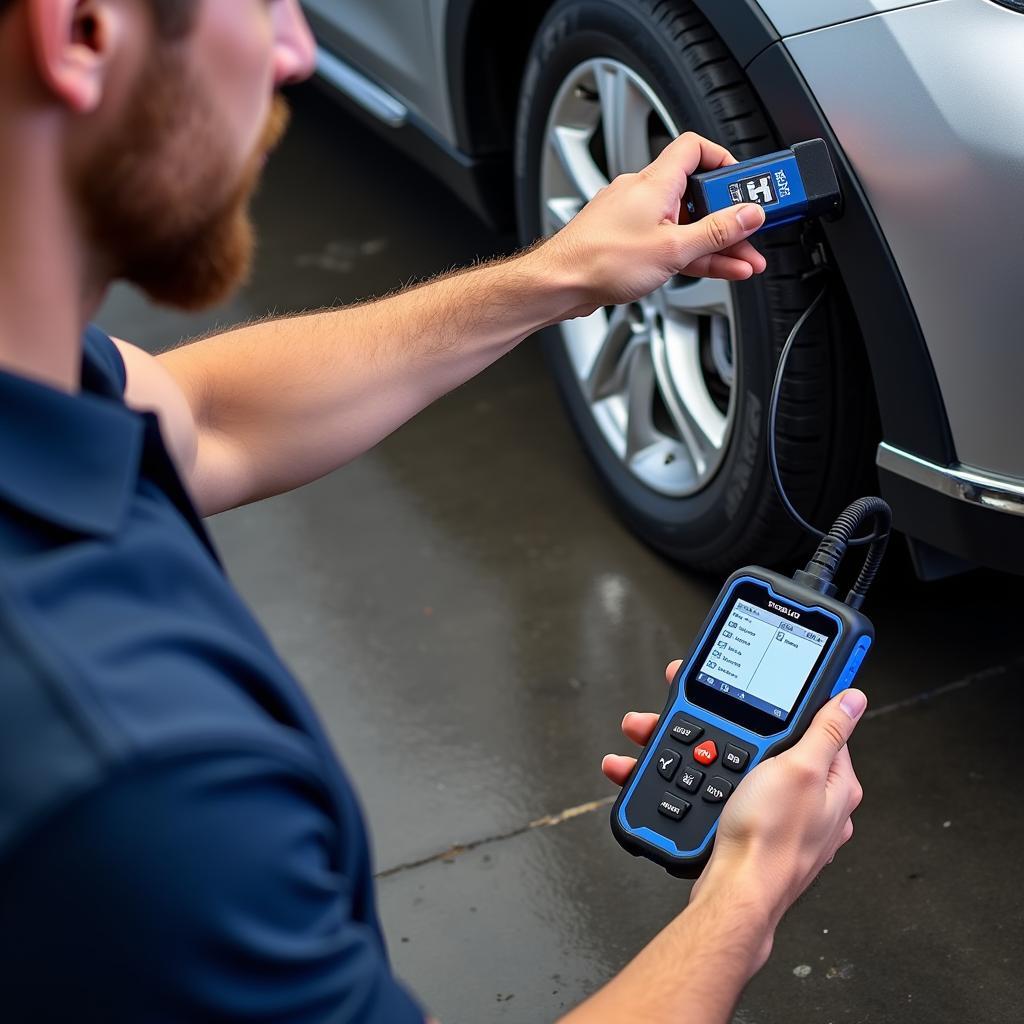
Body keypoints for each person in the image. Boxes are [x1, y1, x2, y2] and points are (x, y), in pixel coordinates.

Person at [0, 1, 866, 1021]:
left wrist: (561, 274)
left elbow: (199, 413)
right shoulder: (139, 773)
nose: (297, 49)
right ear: (83, 32)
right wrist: (744, 896)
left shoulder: (46, 383)